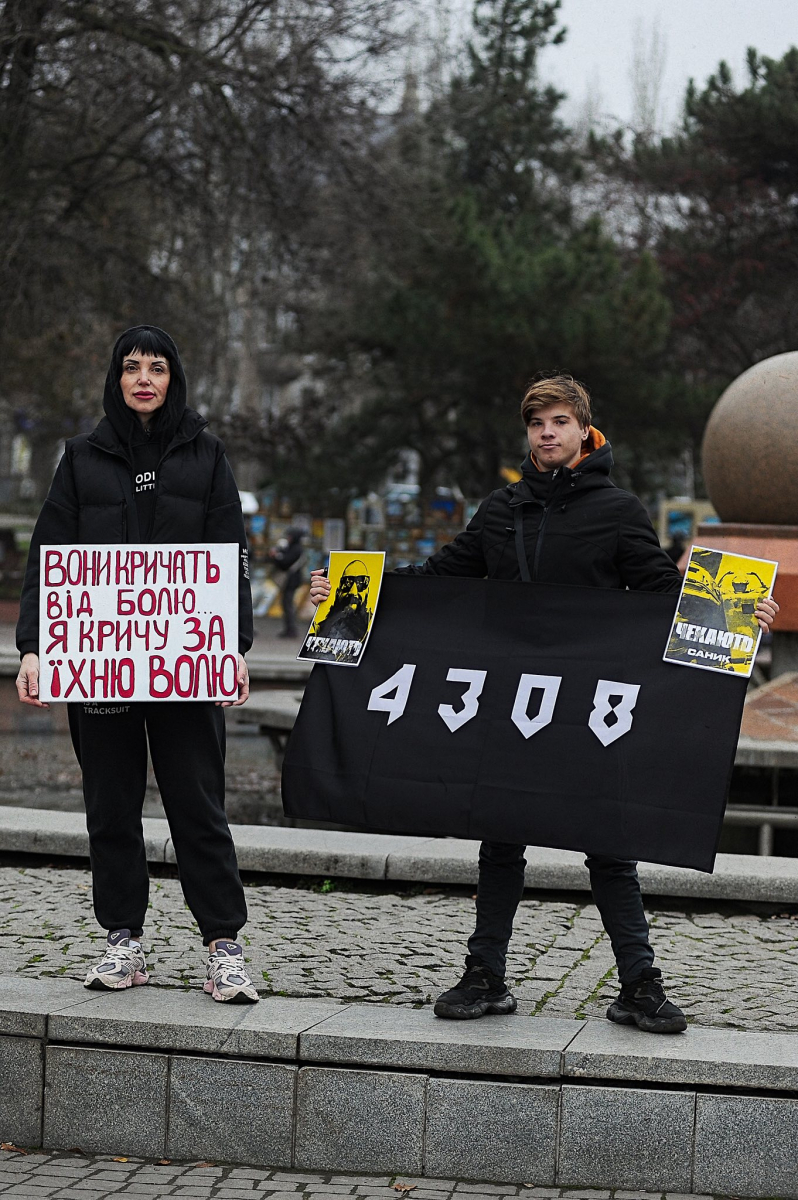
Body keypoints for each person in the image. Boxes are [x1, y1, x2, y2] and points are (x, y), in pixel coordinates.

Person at [310, 374, 779, 1033]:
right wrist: (347, 592)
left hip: (588, 708)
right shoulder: (501, 509)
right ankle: (485, 977)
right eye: (537, 424)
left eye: (559, 421)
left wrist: (740, 611)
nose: (548, 433)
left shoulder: (618, 510)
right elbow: (442, 578)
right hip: (515, 704)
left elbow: (658, 593)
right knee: (500, 840)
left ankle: (639, 986)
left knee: (610, 846)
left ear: (585, 430)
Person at [15, 325, 260, 1004]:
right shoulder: (80, 457)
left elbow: (229, 557)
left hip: (185, 670)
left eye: (157, 367)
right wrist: (34, 646)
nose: (144, 378)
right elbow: (48, 555)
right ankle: (123, 940)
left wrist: (233, 649)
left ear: (174, 378)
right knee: (111, 807)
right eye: (132, 367)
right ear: (116, 379)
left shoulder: (207, 454)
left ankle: (224, 946)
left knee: (198, 807)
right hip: (100, 670)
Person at [269, 527, 307, 638]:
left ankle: (291, 629)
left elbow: (285, 562)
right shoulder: (292, 547)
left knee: (288, 604)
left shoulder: (296, 549)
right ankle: (289, 629)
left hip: (291, 581)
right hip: (291, 581)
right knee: (286, 604)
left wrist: (276, 556)